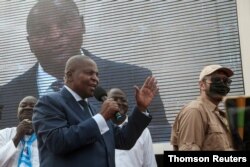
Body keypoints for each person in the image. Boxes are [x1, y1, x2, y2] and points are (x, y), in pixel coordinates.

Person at [0, 0, 169, 142]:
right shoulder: (6, 97)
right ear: (29, 43)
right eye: (41, 30)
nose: (55, 35)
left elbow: (157, 144)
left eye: (65, 23)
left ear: (82, 25)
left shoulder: (134, 81)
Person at [32, 55, 158, 167]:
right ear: (69, 76)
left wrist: (141, 108)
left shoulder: (94, 109)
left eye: (97, 75)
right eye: (89, 73)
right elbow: (57, 142)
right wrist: (101, 118)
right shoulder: (49, 102)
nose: (95, 79)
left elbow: (124, 140)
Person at [171, 64, 234, 151]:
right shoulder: (194, 111)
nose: (223, 84)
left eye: (226, 81)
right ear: (202, 85)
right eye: (217, 80)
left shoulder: (219, 114)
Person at [107, 88, 157, 167]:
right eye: (114, 99)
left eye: (123, 100)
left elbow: (150, 163)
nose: (119, 102)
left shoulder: (143, 131)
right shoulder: (100, 129)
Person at [0, 96, 39, 167]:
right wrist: (17, 137)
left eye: (33, 106)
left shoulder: (47, 136)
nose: (27, 108)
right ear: (17, 112)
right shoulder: (4, 134)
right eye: (23, 105)